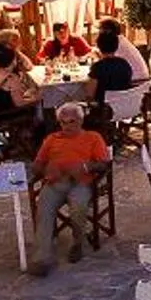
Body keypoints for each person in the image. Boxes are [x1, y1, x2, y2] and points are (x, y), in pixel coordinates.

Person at [29, 103, 109, 273]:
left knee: (78, 207)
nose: (67, 126)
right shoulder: (51, 139)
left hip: (80, 182)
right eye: (63, 122)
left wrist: (85, 167)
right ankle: (42, 257)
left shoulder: (93, 137)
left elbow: (103, 164)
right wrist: (45, 170)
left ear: (80, 121)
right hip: (55, 182)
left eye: (71, 122)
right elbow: (36, 165)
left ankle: (77, 242)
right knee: (43, 209)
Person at [87, 22, 149, 125]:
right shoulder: (125, 63)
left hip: (109, 108)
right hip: (131, 103)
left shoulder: (98, 67)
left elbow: (89, 94)